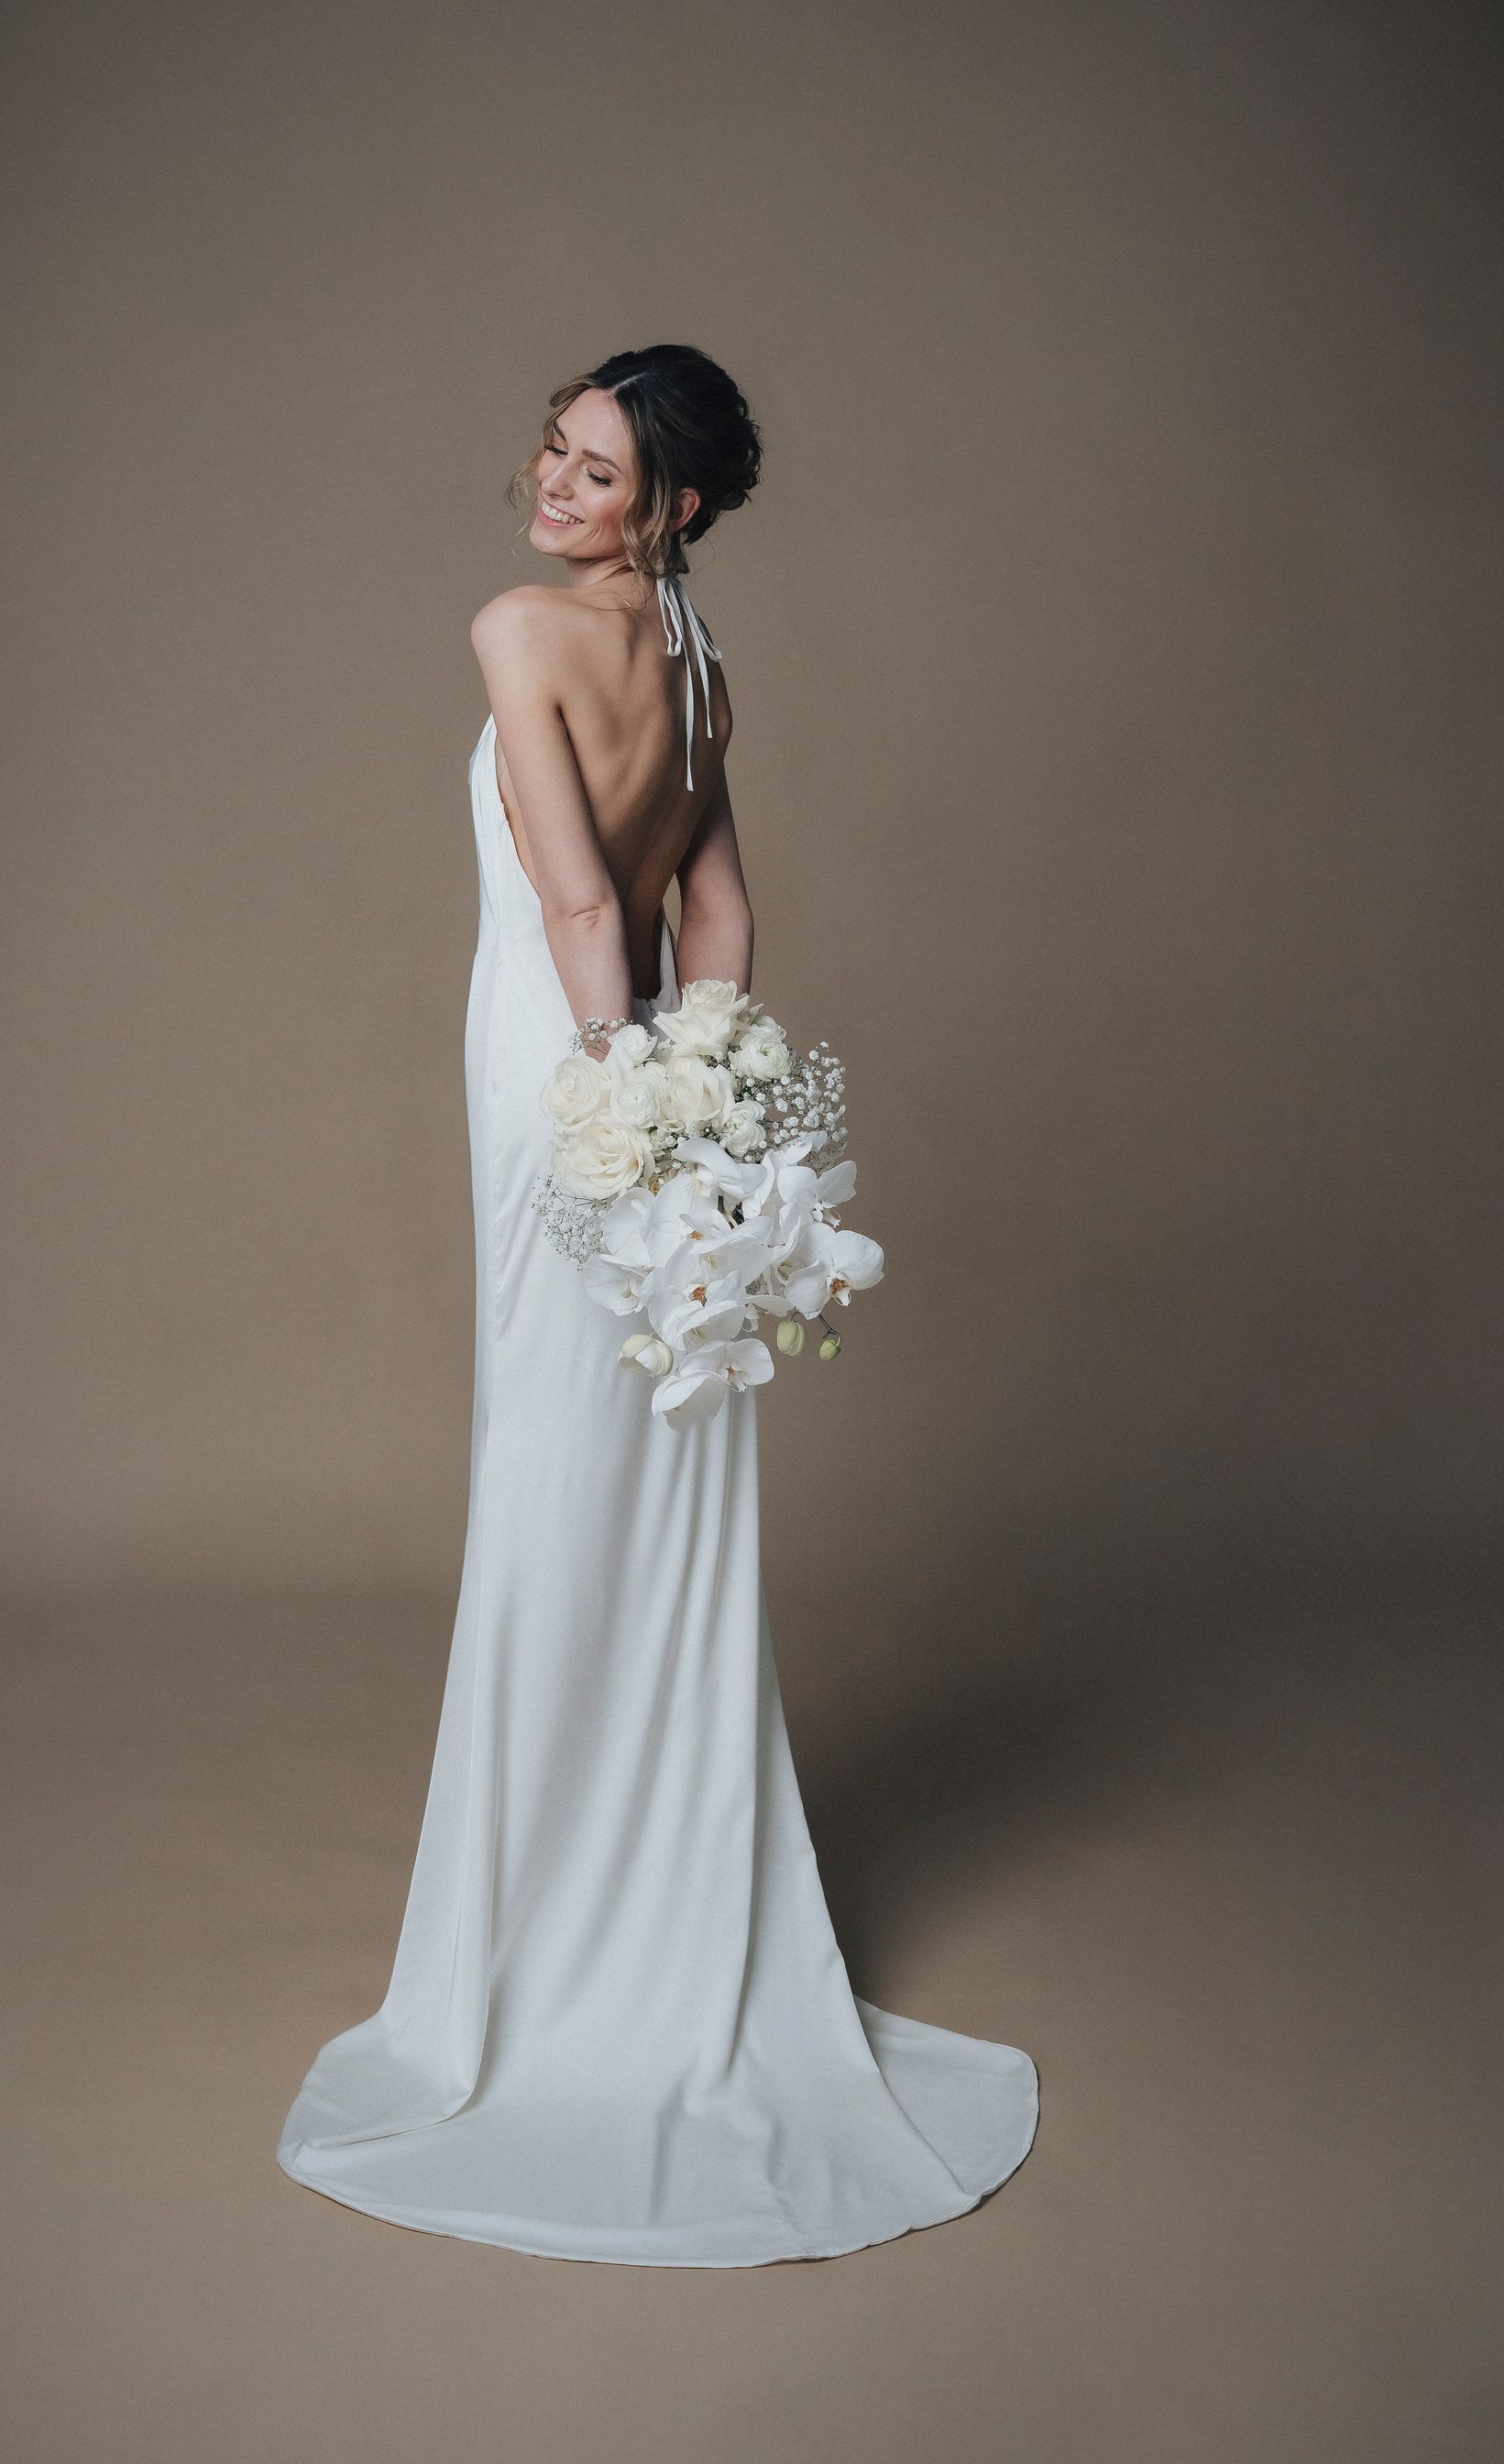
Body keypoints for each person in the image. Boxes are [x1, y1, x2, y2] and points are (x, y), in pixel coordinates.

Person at [276, 346, 1038, 2265]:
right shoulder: (702, 670)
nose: (549, 485)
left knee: (551, 1465)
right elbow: (727, 920)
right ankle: (648, 1907)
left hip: (559, 1086)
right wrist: (713, 1111)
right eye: (551, 449)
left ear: (673, 506)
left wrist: (615, 1108)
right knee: (657, 1467)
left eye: (595, 470)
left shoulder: (518, 633)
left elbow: (580, 908)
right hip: (653, 1095)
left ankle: (535, 1969)